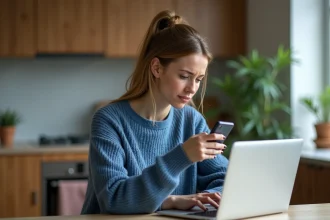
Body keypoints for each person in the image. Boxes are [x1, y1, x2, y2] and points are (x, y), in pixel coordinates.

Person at [81, 10, 228, 215]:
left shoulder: (192, 121)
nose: (192, 88)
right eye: (184, 76)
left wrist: (207, 199)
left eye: (199, 79)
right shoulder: (109, 120)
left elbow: (225, 178)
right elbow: (114, 199)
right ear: (157, 68)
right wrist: (180, 162)